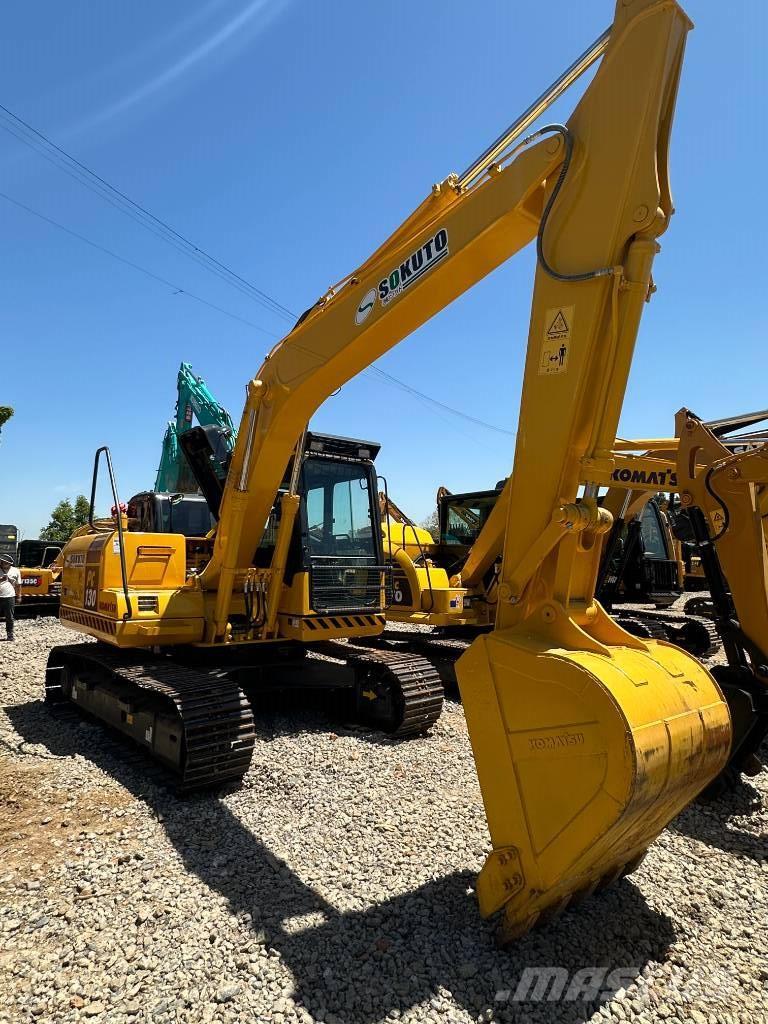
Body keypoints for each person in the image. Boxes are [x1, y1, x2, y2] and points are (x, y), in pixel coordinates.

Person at [0, 554, 21, 641]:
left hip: (9, 596)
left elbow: (18, 585)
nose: (3, 563)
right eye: (2, 562)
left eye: (5, 562)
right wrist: (1, 579)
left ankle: (10, 634)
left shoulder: (16, 571)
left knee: (9, 617)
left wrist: (19, 596)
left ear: (10, 563)